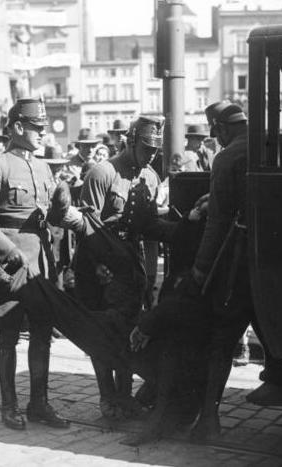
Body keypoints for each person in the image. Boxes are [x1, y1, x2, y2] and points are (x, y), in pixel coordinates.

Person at [186, 100, 282, 440]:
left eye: (217, 134)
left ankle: (208, 419)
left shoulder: (226, 158)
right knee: (265, 315)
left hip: (243, 259)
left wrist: (200, 267)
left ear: (221, 129)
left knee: (223, 334)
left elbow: (218, 223)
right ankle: (279, 378)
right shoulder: (279, 142)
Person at [0, 98, 69, 431]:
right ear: (17, 128)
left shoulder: (42, 168)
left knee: (42, 335)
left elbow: (49, 218)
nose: (42, 133)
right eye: (37, 128)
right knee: (8, 335)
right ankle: (8, 406)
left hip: (40, 264)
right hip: (10, 265)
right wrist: (10, 249)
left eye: (43, 128)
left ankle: (38, 403)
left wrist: (61, 204)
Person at [78, 115, 172, 419]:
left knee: (129, 331)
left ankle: (125, 395)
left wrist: (148, 276)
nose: (152, 155)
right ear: (130, 141)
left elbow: (149, 230)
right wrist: (97, 268)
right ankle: (108, 398)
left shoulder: (150, 177)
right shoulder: (102, 173)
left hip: (130, 265)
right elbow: (85, 226)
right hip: (100, 265)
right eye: (147, 148)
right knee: (102, 335)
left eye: (156, 150)